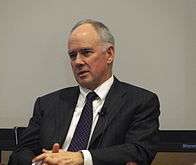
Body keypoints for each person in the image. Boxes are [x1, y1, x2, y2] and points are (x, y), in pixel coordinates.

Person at [8, 19, 160, 165]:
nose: (78, 62)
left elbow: (139, 151)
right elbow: (21, 152)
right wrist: (42, 163)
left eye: (86, 52)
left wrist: (82, 158)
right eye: (72, 55)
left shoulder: (140, 101)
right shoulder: (48, 104)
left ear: (109, 54)